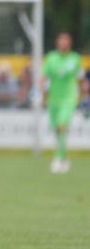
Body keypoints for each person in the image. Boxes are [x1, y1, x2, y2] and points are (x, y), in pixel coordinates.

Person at [42, 32, 82, 174]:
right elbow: (44, 77)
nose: (63, 44)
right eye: (61, 41)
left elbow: (81, 78)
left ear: (69, 43)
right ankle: (64, 158)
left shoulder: (75, 59)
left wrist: (83, 95)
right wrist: (41, 93)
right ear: (57, 43)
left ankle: (58, 158)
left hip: (69, 98)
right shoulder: (51, 58)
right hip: (53, 99)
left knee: (62, 125)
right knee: (58, 130)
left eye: (65, 41)